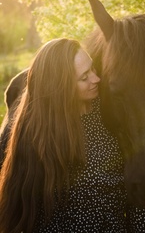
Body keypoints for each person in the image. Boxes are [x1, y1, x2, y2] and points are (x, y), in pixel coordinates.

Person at [0, 38, 127, 232]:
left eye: (93, 69)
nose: (96, 79)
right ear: (61, 86)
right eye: (84, 77)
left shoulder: (109, 113)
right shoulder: (34, 134)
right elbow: (20, 206)